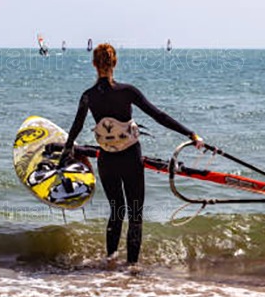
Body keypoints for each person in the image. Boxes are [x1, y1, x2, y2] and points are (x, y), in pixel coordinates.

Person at [60, 43, 201, 266]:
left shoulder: (87, 96)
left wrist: (66, 154)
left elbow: (76, 127)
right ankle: (132, 270)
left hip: (107, 160)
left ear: (94, 64)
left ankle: (110, 261)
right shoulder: (127, 92)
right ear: (115, 63)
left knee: (116, 212)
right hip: (130, 158)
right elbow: (159, 116)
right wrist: (190, 134)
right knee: (135, 215)